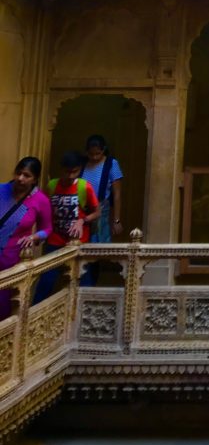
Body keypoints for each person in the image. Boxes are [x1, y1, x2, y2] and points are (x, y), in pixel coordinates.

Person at [32, 151, 100, 305]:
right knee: (46, 281)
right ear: (61, 169)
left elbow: (97, 212)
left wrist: (82, 221)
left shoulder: (84, 187)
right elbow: (45, 210)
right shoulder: (52, 185)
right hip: (55, 240)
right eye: (67, 171)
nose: (70, 176)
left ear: (79, 170)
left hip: (77, 242)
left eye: (74, 172)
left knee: (83, 280)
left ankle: (86, 313)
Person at [0, 157, 52, 320]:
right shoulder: (1, 190)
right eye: (19, 173)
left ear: (35, 179)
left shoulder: (40, 200)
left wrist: (35, 236)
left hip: (12, 260)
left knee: (4, 303)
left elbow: (48, 229)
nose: (21, 178)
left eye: (27, 175)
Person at [79, 135, 123, 286]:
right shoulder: (82, 163)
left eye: (97, 154)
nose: (94, 157)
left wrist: (116, 220)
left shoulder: (111, 163)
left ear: (103, 150)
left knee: (96, 251)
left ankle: (90, 285)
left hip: (101, 211)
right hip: (82, 211)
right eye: (91, 154)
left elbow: (117, 194)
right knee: (80, 248)